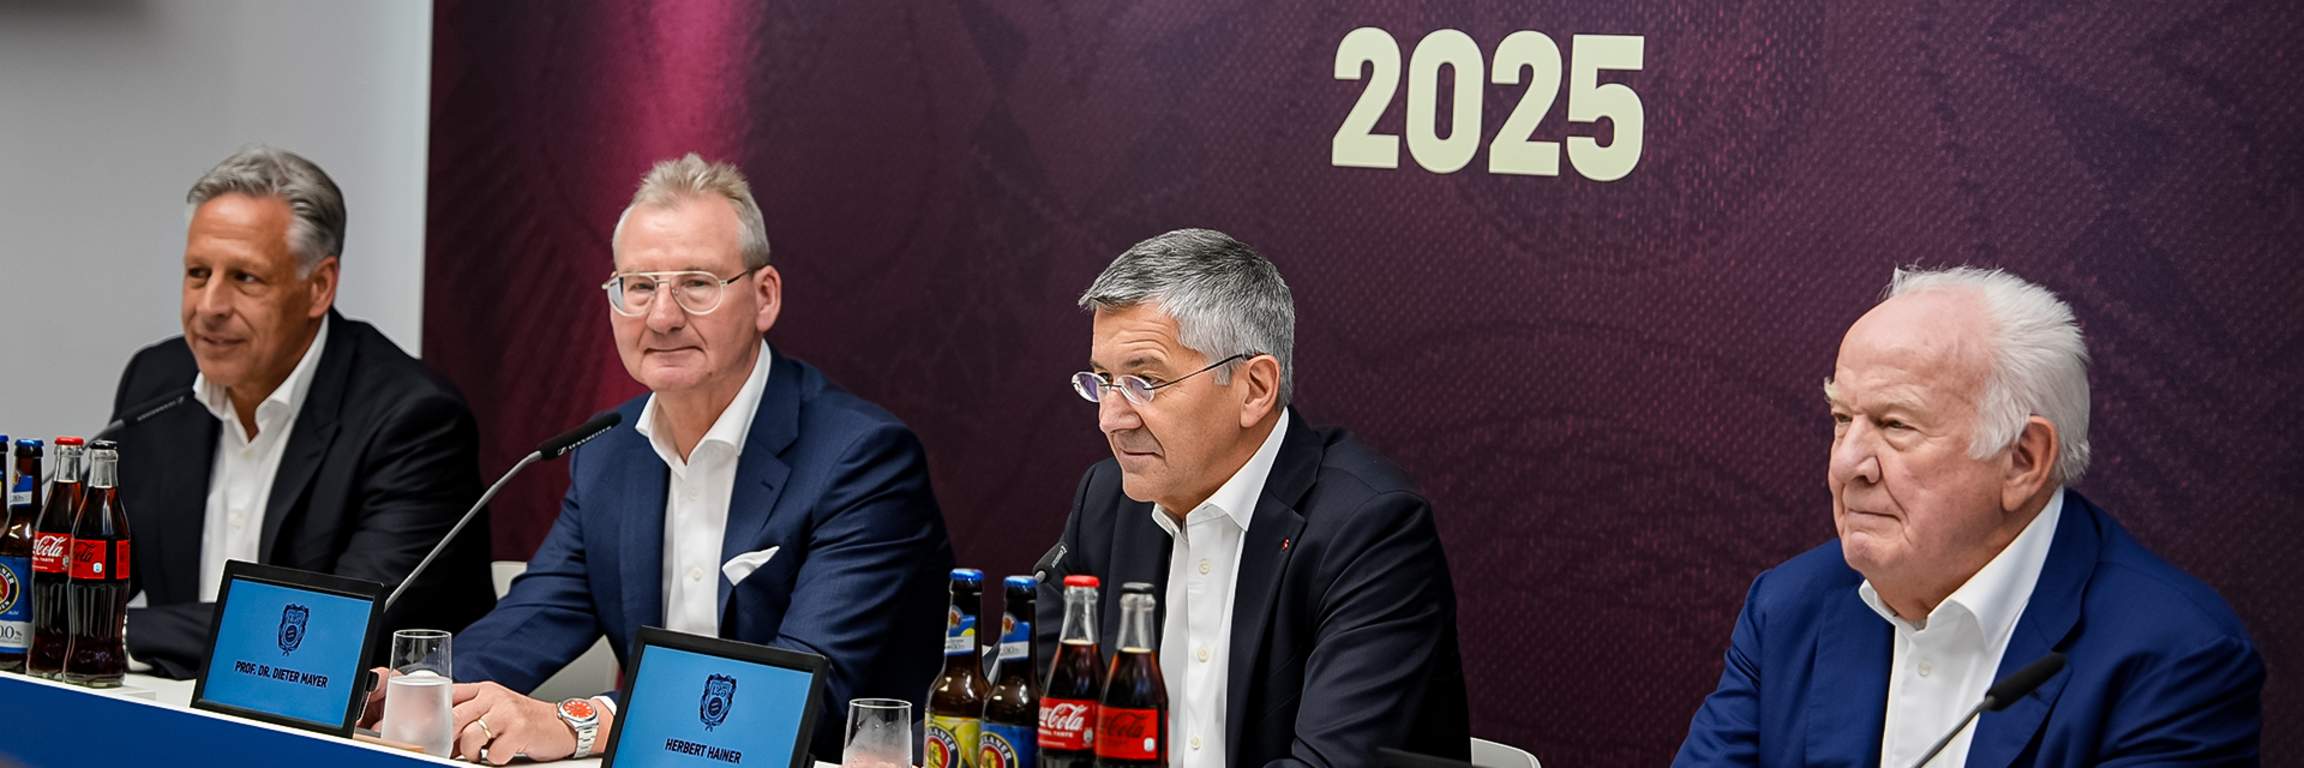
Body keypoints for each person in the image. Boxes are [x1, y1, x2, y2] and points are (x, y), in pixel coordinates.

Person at [411, 154, 953, 764]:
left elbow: (804, 694)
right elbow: (533, 619)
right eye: (640, 287)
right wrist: (409, 691)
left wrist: (581, 722)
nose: (663, 317)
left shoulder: (861, 460)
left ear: (765, 297)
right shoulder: (609, 451)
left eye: (696, 284)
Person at [1673, 266, 2264, 766]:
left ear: (2022, 461)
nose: (1847, 463)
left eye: (1895, 425)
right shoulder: (1787, 607)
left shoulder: (2174, 656)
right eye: (1841, 418)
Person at [1037, 228, 1469, 767]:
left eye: (1143, 382)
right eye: (1103, 380)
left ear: (1255, 389)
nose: (1110, 418)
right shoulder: (1107, 502)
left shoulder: (1369, 529)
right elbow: (1015, 706)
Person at [110, 146, 492, 677]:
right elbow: (94, 565)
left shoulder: (413, 419)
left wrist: (105, 630)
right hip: (172, 707)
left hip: (351, 718)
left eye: (245, 278)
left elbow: (332, 624)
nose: (210, 306)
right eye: (198, 273)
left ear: (318, 287)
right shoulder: (157, 383)